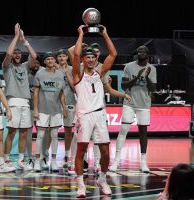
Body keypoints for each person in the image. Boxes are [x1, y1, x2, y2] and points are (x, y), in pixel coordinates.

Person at [72, 25, 117, 198]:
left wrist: (105, 34)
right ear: (83, 59)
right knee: (81, 150)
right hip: (84, 116)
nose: (90, 60)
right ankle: (81, 184)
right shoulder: (77, 75)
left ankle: (102, 179)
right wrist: (81, 34)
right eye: (87, 57)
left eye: (93, 57)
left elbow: (113, 55)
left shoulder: (99, 73)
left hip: (100, 114)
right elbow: (75, 54)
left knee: (105, 151)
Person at [109, 45, 157, 173]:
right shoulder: (129, 66)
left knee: (143, 132)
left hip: (144, 104)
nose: (140, 52)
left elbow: (153, 89)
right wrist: (137, 77)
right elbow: (123, 86)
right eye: (139, 50)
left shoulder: (152, 69)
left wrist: (146, 77)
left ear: (147, 54)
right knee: (123, 130)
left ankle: (143, 162)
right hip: (129, 102)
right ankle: (116, 161)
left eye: (143, 51)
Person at [3, 23, 37, 170]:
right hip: (13, 101)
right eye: (15, 53)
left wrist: (25, 41)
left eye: (19, 53)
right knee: (11, 132)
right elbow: (8, 54)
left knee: (24, 132)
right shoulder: (7, 66)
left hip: (25, 102)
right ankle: (5, 161)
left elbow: (34, 56)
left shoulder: (24, 66)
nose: (16, 54)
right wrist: (16, 36)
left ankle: (21, 160)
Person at [33, 52, 67, 172]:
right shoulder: (39, 74)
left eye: (52, 58)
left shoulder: (60, 74)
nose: (51, 60)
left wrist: (64, 108)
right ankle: (38, 161)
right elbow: (36, 93)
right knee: (40, 135)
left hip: (56, 110)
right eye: (48, 59)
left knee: (55, 136)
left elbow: (62, 93)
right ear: (45, 61)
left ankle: (53, 161)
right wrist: (35, 109)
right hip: (42, 109)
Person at [56, 49, 75, 168]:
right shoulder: (53, 68)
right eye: (60, 56)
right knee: (50, 131)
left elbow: (74, 87)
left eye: (64, 56)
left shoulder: (72, 69)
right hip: (55, 104)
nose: (62, 58)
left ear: (67, 58)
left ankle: (67, 156)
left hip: (70, 102)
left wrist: (66, 73)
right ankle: (45, 157)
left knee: (68, 131)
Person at [25, 55, 44, 170]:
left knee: (42, 134)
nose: (35, 65)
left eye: (38, 63)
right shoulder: (25, 76)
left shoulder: (43, 75)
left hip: (41, 109)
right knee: (28, 134)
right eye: (33, 63)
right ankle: (30, 157)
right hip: (28, 108)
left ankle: (41, 157)